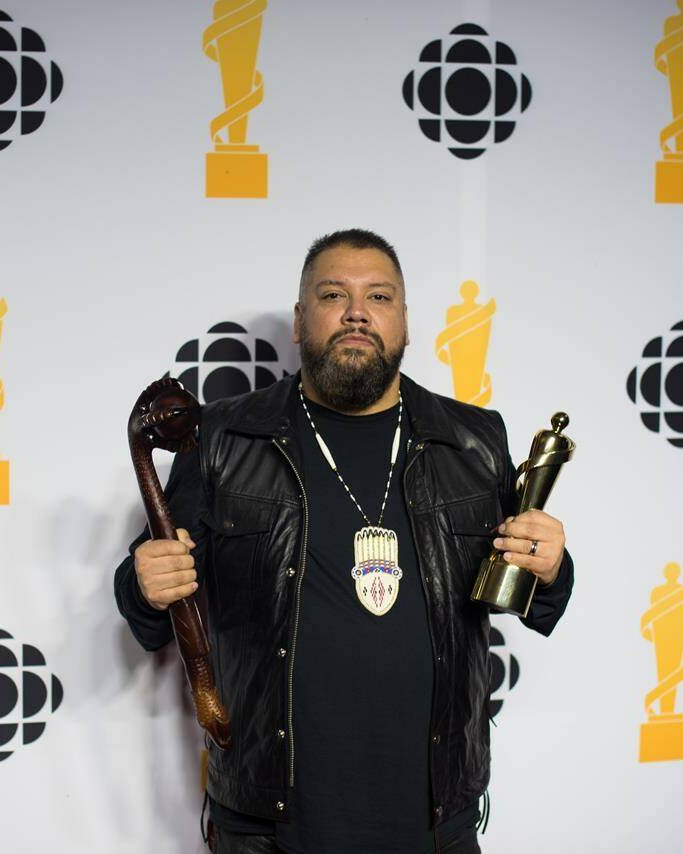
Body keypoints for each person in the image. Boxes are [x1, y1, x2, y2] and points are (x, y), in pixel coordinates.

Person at [115, 229, 574, 853]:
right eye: (334, 294)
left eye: (379, 296)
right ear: (301, 321)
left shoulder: (472, 441)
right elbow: (149, 602)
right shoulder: (223, 438)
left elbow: (524, 592)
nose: (357, 310)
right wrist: (144, 584)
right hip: (268, 826)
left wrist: (550, 567)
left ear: (405, 323)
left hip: (434, 821)